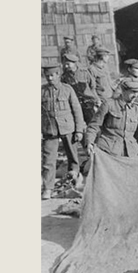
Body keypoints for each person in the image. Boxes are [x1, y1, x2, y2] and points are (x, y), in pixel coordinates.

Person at [41, 64, 85, 199]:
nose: (49, 78)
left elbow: (77, 111)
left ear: (58, 75)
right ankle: (48, 188)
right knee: (48, 160)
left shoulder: (67, 89)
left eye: (52, 75)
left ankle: (75, 179)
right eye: (47, 75)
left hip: (68, 128)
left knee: (73, 157)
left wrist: (79, 130)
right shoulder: (41, 91)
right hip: (50, 130)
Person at [61, 54, 99, 124]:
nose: (66, 66)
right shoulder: (65, 76)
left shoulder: (84, 72)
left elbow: (92, 87)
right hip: (75, 104)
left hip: (88, 103)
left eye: (68, 64)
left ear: (74, 63)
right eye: (65, 64)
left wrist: (97, 100)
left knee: (92, 124)